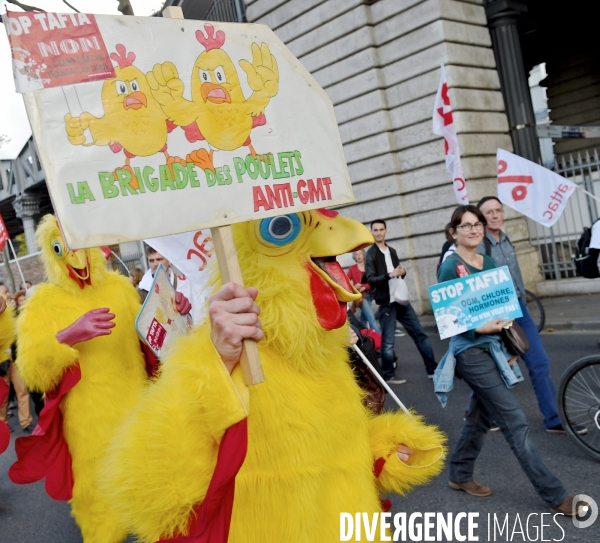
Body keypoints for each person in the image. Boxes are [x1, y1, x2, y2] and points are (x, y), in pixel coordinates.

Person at [435, 204, 582, 515]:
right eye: (466, 226)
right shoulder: (451, 266)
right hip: (470, 353)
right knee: (515, 420)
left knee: (480, 415)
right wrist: (480, 327)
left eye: (477, 224)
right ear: (454, 232)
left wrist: (511, 348)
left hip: (495, 349)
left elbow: (503, 307)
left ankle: (460, 474)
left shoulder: (487, 261)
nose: (474, 230)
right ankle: (555, 495)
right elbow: (448, 318)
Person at [477, 196, 567, 434]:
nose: (495, 215)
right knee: (498, 367)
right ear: (481, 218)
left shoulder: (506, 240)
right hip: (500, 315)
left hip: (521, 309)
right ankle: (477, 414)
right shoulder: (479, 248)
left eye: (498, 210)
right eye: (489, 212)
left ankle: (553, 419)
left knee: (539, 362)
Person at [365, 219, 437, 383]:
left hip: (401, 300)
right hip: (386, 303)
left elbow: (398, 274)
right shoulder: (371, 254)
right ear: (372, 232)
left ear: (386, 231)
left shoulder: (392, 251)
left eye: (381, 229)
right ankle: (388, 374)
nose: (378, 233)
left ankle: (432, 369)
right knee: (388, 342)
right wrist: (390, 274)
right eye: (375, 230)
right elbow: (371, 279)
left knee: (420, 334)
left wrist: (401, 272)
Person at [0, 288, 32, 433]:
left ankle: (26, 422)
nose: (7, 294)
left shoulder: (9, 309)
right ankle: (3, 423)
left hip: (14, 357)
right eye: (4, 291)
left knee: (22, 389)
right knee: (3, 395)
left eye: (6, 291)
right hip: (1, 360)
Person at [347, 249, 381, 332]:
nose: (358, 256)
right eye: (356, 254)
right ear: (354, 257)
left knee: (363, 319)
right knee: (371, 318)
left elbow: (373, 281)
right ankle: (383, 340)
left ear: (364, 255)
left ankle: (361, 336)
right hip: (360, 296)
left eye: (360, 253)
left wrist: (365, 287)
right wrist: (355, 286)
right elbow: (347, 282)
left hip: (369, 294)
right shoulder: (352, 268)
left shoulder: (368, 267)